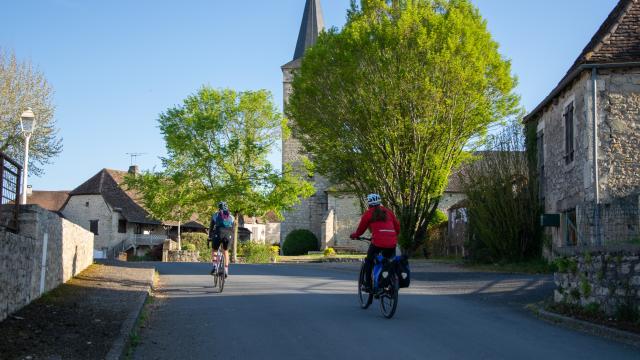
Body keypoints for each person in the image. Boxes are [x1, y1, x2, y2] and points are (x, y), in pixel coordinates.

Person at [350, 193, 400, 291]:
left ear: (369, 203)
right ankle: (390, 282)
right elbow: (397, 227)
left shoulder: (368, 213)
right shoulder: (388, 212)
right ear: (379, 202)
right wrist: (392, 235)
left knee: (369, 261)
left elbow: (361, 229)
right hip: (392, 242)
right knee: (390, 261)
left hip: (377, 242)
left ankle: (368, 285)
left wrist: (355, 235)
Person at [208, 201, 234, 277]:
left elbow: (211, 227)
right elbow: (233, 229)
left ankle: (215, 266)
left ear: (219, 208)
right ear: (227, 208)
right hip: (228, 235)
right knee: (225, 251)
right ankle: (226, 269)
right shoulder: (232, 217)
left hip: (218, 233)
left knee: (214, 249)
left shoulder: (215, 215)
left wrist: (210, 236)